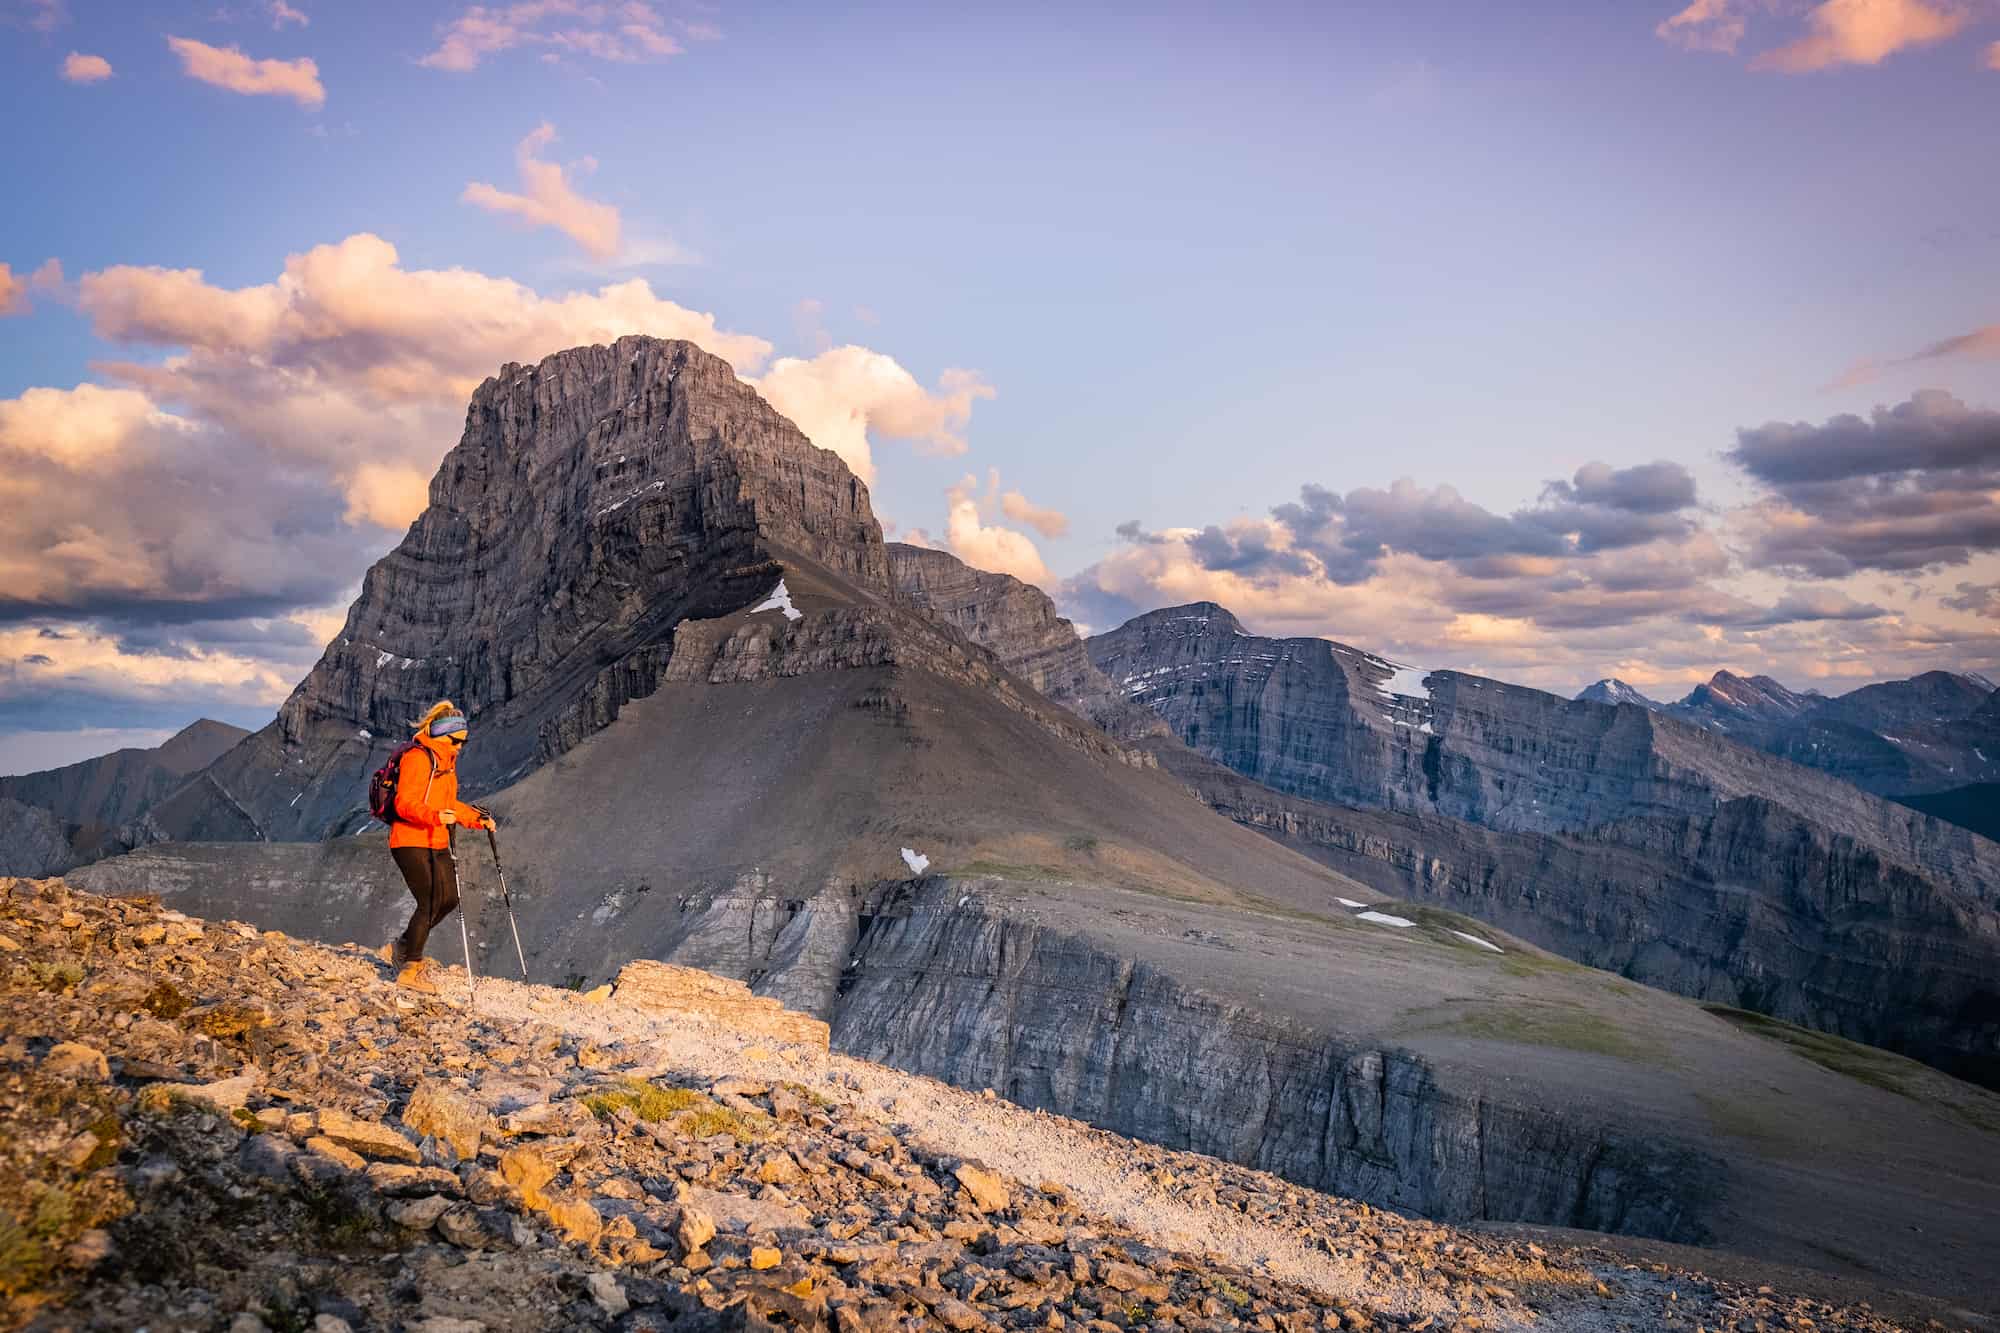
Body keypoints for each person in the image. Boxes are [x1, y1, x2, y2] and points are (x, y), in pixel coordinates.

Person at [386, 701, 495, 993]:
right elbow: (404, 803)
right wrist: (434, 816)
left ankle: (402, 947)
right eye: (456, 740)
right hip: (410, 840)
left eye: (463, 741)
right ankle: (411, 970)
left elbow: (448, 806)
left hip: (436, 839)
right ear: (442, 735)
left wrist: (476, 819)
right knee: (431, 901)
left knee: (449, 900)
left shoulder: (446, 764)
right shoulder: (419, 758)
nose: (460, 746)